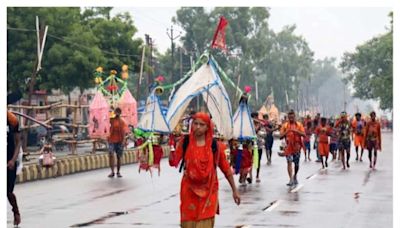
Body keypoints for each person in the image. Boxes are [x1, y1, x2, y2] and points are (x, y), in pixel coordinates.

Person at [169, 112, 240, 227]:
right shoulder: (185, 142)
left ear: (208, 127)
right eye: (195, 123)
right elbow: (174, 162)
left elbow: (226, 170)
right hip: (189, 191)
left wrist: (234, 190)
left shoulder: (215, 146)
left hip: (209, 191)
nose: (197, 127)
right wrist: (171, 147)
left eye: (202, 124)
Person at [280, 110, 305, 187]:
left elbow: (304, 134)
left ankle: (295, 175)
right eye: (289, 117)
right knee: (289, 162)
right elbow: (280, 137)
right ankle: (290, 179)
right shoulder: (285, 126)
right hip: (288, 147)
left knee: (296, 164)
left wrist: (296, 131)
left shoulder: (299, 125)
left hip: (297, 147)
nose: (291, 119)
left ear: (295, 117)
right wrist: (286, 132)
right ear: (288, 117)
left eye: (292, 117)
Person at [7, 111, 21, 226]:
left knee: (8, 192)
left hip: (9, 162)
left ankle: (16, 212)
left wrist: (13, 159)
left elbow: (18, 142)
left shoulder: (12, 120)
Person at [107, 107, 129, 178]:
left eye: (118, 112)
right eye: (116, 112)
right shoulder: (111, 120)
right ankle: (112, 171)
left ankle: (118, 172)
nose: (117, 113)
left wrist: (124, 141)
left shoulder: (122, 122)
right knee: (111, 154)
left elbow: (125, 132)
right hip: (111, 140)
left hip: (120, 141)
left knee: (119, 157)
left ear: (120, 113)